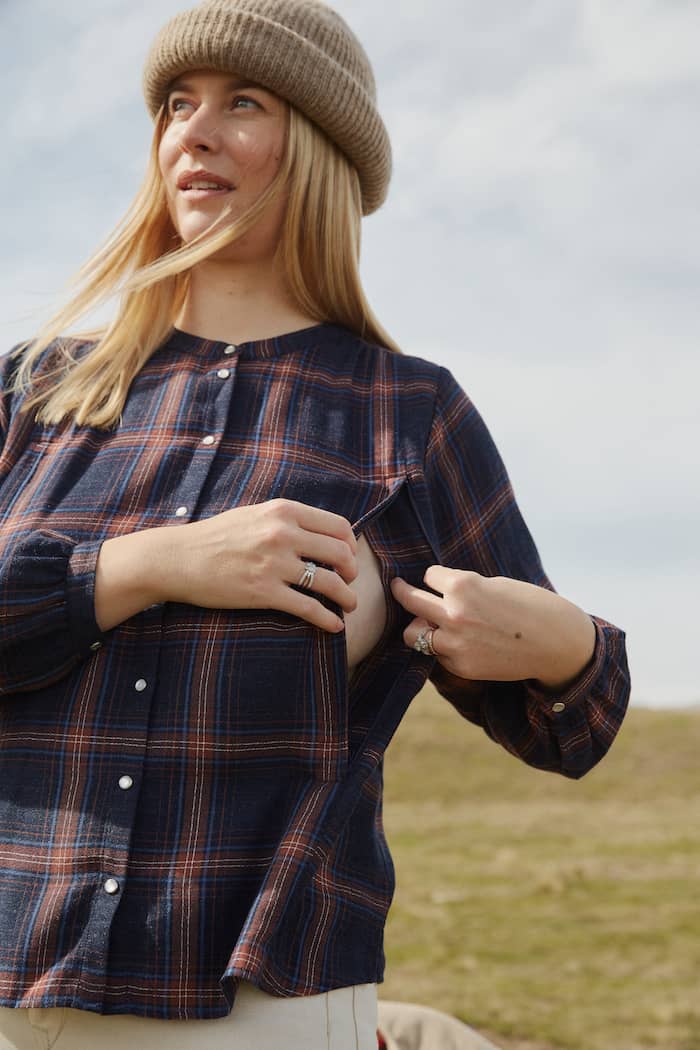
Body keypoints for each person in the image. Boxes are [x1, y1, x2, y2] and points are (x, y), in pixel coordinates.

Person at [0, 1, 631, 1047]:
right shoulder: (35, 390)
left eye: (241, 102)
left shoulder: (408, 413)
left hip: (258, 1009)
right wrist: (151, 563)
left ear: (323, 152)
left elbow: (574, 727)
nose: (190, 132)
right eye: (175, 103)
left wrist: (558, 643)